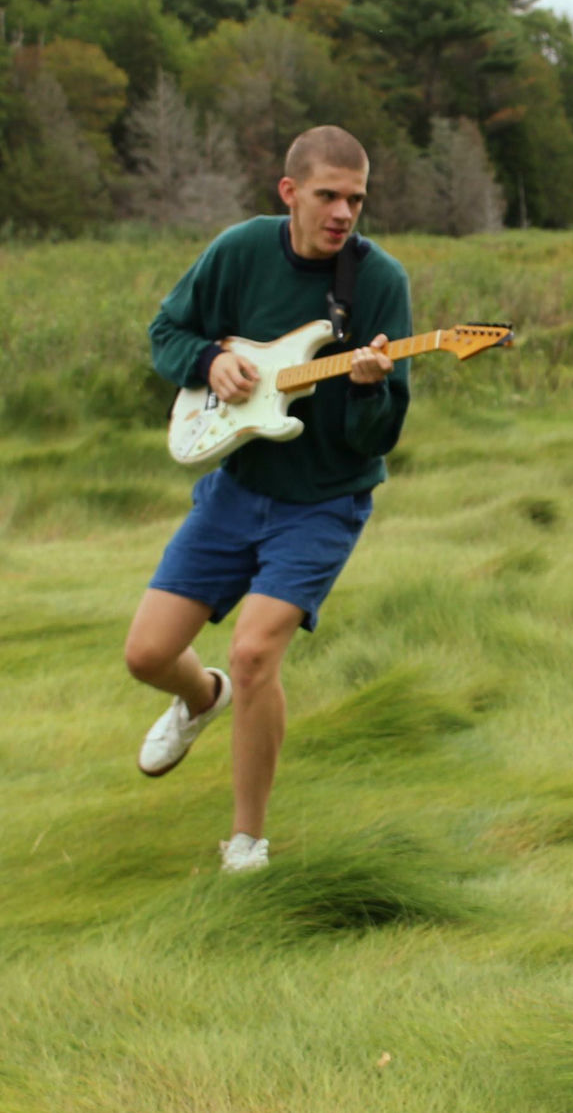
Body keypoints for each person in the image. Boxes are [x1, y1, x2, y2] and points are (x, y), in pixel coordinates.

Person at [124, 125, 412, 872]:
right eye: (328, 196)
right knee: (148, 653)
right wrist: (211, 359)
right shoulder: (241, 250)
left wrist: (367, 390)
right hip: (236, 485)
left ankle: (246, 840)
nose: (344, 212)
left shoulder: (379, 284)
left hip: (323, 501)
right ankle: (199, 697)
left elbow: (375, 440)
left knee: (255, 652)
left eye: (356, 199)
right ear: (290, 193)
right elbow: (166, 331)